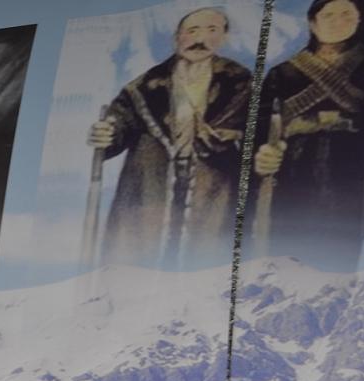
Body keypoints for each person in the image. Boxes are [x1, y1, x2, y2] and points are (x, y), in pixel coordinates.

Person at [87, 8, 251, 269]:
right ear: (177, 37)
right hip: (151, 186)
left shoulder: (240, 82)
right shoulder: (145, 85)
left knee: (205, 266)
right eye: (192, 31)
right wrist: (107, 133)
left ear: (224, 38)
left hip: (212, 188)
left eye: (211, 31)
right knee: (141, 265)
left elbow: (255, 133)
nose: (200, 39)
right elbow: (120, 122)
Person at [252, 0, 364, 272]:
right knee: (287, 255)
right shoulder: (283, 73)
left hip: (351, 172)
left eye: (347, 14)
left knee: (339, 258)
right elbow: (260, 127)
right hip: (293, 171)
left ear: (359, 20)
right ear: (313, 22)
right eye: (328, 15)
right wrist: (264, 155)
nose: (338, 21)